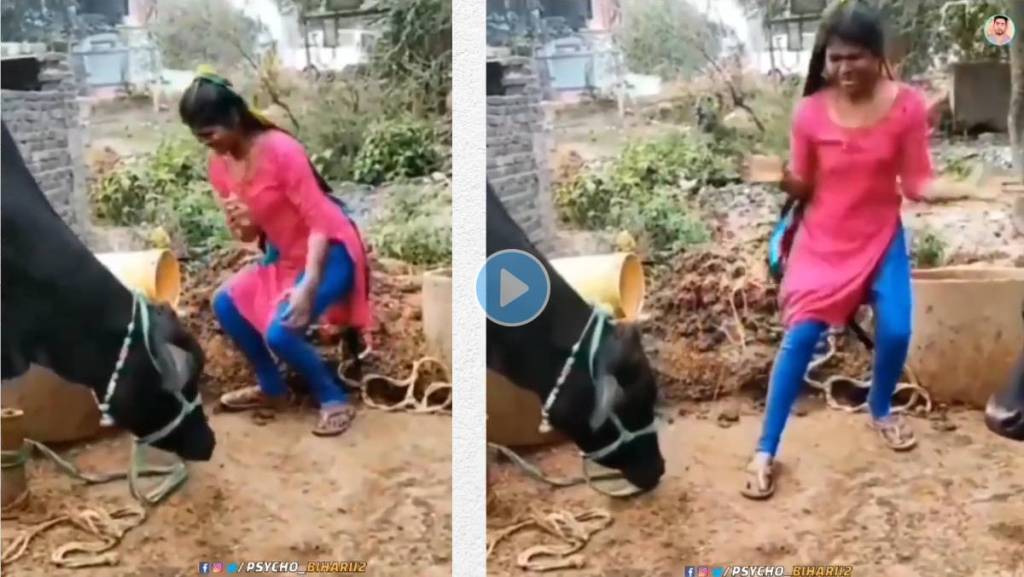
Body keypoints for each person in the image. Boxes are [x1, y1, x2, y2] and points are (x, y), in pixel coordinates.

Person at [740, 1, 944, 499]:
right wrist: (779, 176)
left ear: (877, 56)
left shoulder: (907, 106)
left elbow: (917, 182)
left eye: (854, 57)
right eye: (834, 59)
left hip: (879, 237)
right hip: (822, 241)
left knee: (896, 329)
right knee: (801, 337)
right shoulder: (810, 112)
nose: (843, 68)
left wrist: (966, 189)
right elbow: (805, 185)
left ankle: (879, 409)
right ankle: (765, 450)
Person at [179, 66, 372, 437]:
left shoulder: (282, 151)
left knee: (282, 332)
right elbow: (254, 234)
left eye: (211, 133)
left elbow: (319, 223)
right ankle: (273, 388)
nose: (209, 144)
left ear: (234, 117)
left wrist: (308, 287)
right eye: (200, 138)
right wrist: (245, 225)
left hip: (330, 252)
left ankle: (333, 398)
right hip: (285, 257)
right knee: (225, 302)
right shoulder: (219, 166)